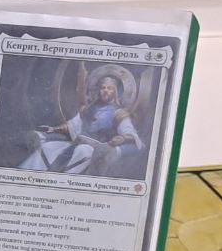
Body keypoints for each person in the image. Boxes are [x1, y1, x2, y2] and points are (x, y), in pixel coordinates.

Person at [17, 73, 146, 178]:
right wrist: (54, 129)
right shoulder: (88, 109)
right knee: (48, 147)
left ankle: (58, 181)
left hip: (94, 151)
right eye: (103, 88)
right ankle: (24, 177)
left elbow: (131, 134)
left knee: (82, 151)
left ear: (115, 92)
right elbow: (72, 126)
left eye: (109, 88)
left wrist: (123, 138)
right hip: (75, 144)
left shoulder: (119, 114)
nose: (105, 91)